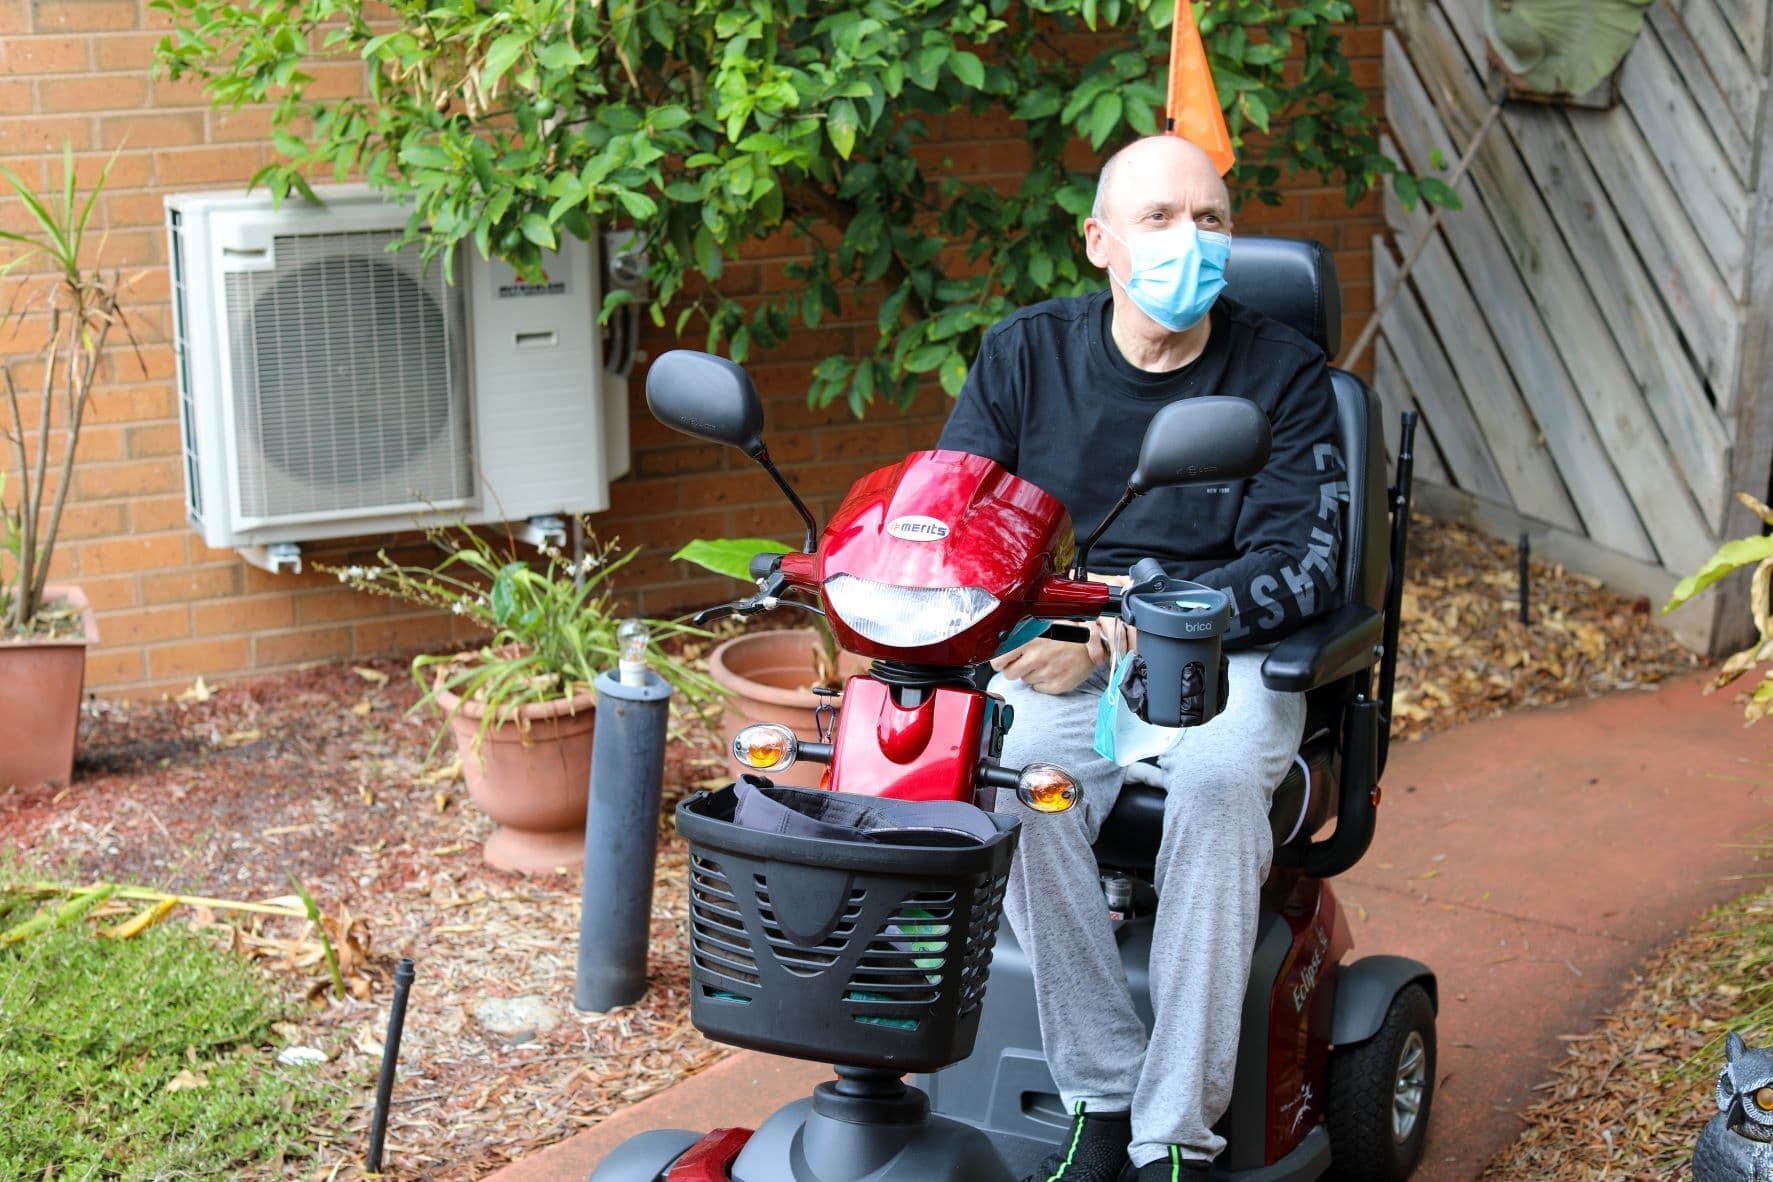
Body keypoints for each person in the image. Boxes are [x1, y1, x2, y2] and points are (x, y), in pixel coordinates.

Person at [936, 134, 1346, 1182]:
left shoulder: (1285, 375)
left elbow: (1304, 566)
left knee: (1212, 786)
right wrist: (1051, 630)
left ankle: (1175, 1136)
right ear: (1099, 242)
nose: (1190, 241)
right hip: (1064, 651)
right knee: (1014, 782)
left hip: (1227, 650)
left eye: (1211, 219)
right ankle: (1104, 1092)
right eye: (1160, 218)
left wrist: (1132, 623)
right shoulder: (1024, 356)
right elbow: (963, 533)